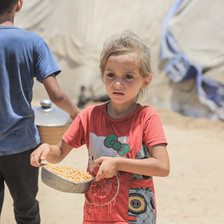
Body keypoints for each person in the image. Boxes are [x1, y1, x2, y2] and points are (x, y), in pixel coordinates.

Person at [30, 31, 170, 224]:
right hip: (96, 214)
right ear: (102, 75)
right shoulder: (89, 116)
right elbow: (59, 152)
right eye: (111, 75)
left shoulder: (147, 118)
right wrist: (46, 149)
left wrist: (118, 163)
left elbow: (162, 167)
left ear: (145, 81)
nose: (118, 83)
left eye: (128, 76)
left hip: (134, 216)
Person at [0, 0, 80, 224]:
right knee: (27, 210)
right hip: (22, 146)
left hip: (20, 145)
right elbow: (56, 96)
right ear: (19, 4)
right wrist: (76, 113)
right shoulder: (33, 42)